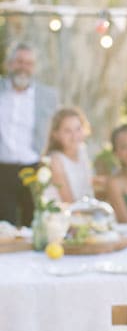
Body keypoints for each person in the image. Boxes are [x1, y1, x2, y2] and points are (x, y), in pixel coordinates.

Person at [0, 42, 58, 226]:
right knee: (4, 226)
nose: (23, 67)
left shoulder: (48, 96)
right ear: (9, 64)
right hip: (2, 168)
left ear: (34, 67)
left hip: (33, 168)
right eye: (19, 61)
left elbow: (54, 129)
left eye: (28, 63)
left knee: (33, 224)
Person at [45, 107, 94, 203]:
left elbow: (85, 183)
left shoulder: (82, 149)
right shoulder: (55, 161)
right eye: (67, 131)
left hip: (83, 209)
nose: (74, 136)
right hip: (64, 214)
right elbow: (69, 202)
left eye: (78, 129)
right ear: (56, 134)